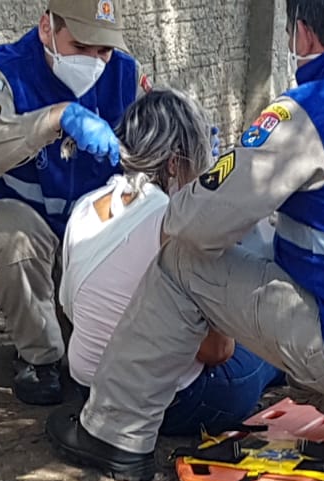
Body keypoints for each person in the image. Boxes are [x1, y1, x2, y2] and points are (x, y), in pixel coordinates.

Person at [47, 0, 324, 481]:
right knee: (319, 269)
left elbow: (196, 223)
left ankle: (114, 432)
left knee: (182, 259)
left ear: (303, 35)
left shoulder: (310, 112)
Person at [0, 0, 146, 406]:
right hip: (15, 235)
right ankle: (40, 359)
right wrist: (53, 120)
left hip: (86, 247)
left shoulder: (127, 75)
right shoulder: (2, 73)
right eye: (81, 46)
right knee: (13, 236)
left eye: (102, 50)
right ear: (47, 29)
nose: (94, 60)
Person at [60, 89, 286, 436]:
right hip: (171, 402)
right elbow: (217, 351)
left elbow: (72, 306)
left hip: (90, 387)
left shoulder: (86, 206)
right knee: (265, 349)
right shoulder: (175, 225)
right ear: (174, 163)